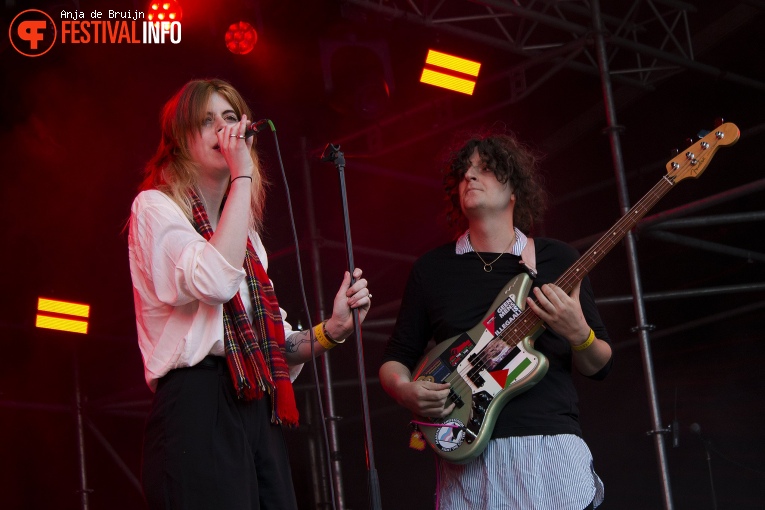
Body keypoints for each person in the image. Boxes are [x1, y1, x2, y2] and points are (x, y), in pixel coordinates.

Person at [128, 78, 371, 510]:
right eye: (207, 121)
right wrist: (242, 175)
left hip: (255, 402)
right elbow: (214, 282)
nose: (224, 130)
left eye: (229, 118)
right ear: (181, 141)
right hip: (197, 401)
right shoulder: (155, 208)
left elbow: (270, 342)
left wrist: (331, 330)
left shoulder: (245, 235)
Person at [379, 130, 613, 510]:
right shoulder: (432, 269)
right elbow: (397, 356)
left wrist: (579, 333)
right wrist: (404, 391)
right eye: (464, 172)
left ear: (514, 188)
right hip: (468, 454)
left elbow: (600, 364)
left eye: (485, 169)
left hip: (548, 448)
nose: (469, 177)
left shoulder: (558, 259)